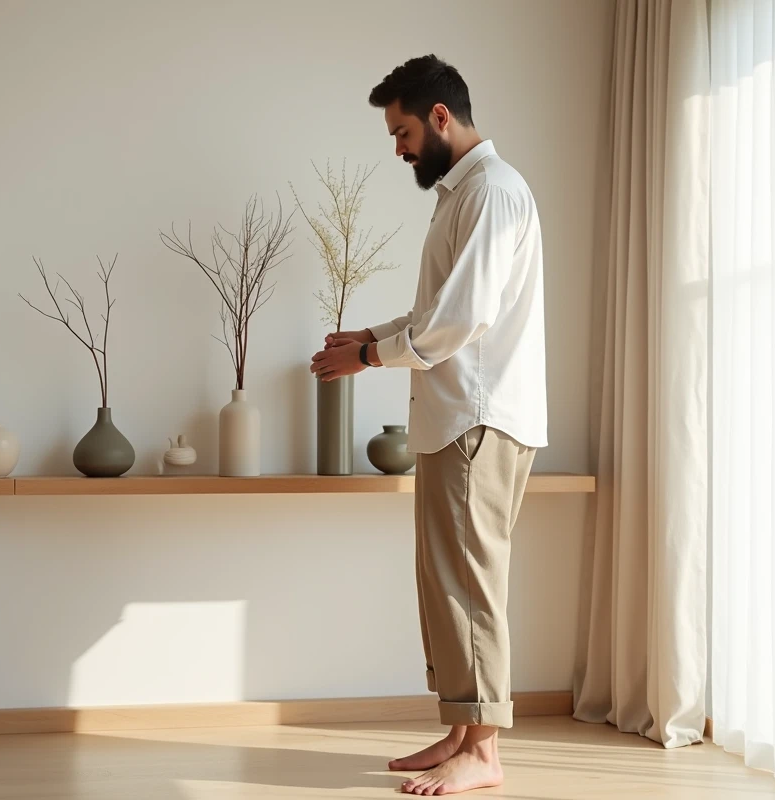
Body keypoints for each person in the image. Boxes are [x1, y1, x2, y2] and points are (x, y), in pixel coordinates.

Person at [309, 54, 548, 795]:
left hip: (477, 416)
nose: (399, 149)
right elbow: (436, 311)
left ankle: (486, 751)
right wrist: (370, 337)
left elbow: (464, 318)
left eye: (404, 132)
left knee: (469, 583)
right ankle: (462, 733)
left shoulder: (492, 193)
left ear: (440, 117)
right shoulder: (464, 195)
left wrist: (370, 357)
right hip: (458, 418)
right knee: (447, 581)